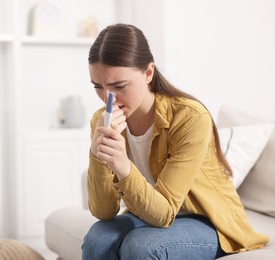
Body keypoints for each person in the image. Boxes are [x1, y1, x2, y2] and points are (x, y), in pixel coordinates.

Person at [82, 23, 268, 260]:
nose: (108, 99)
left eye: (119, 86)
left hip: (206, 219)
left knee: (142, 246)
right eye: (98, 86)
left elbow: (164, 213)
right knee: (98, 238)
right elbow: (103, 212)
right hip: (148, 212)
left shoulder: (190, 118)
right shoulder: (101, 121)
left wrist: (122, 165)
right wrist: (98, 155)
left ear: (148, 73)